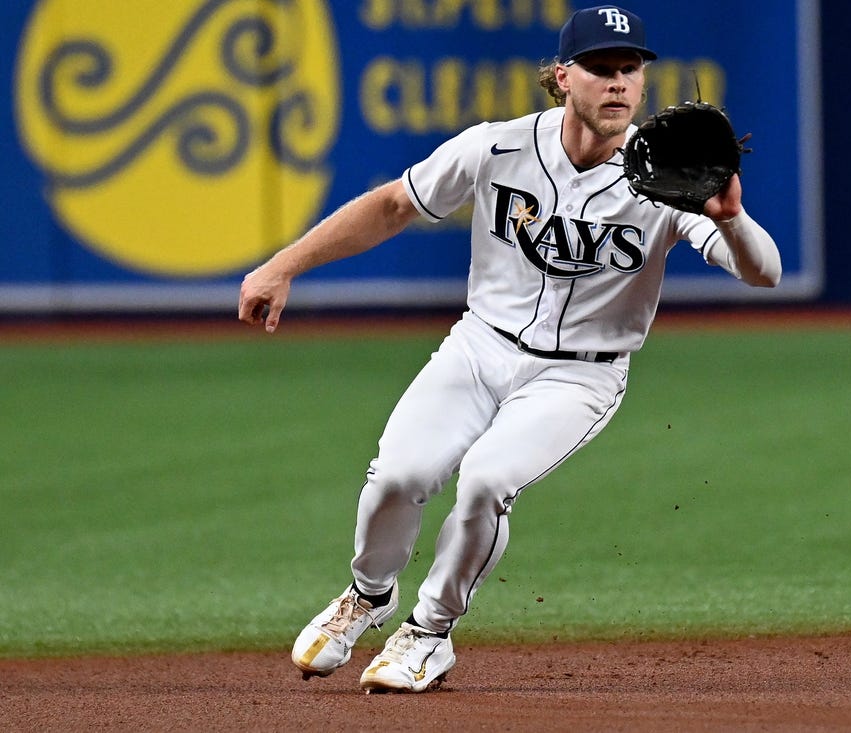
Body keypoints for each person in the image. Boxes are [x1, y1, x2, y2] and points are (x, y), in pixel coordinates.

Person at [238, 5, 781, 693]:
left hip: (579, 375)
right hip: (479, 347)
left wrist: (731, 220)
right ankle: (368, 595)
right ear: (562, 77)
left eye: (630, 69)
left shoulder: (664, 176)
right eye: (601, 68)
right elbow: (392, 206)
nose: (618, 83)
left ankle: (429, 632)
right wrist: (283, 264)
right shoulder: (497, 146)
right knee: (397, 476)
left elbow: (764, 272)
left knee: (488, 481)